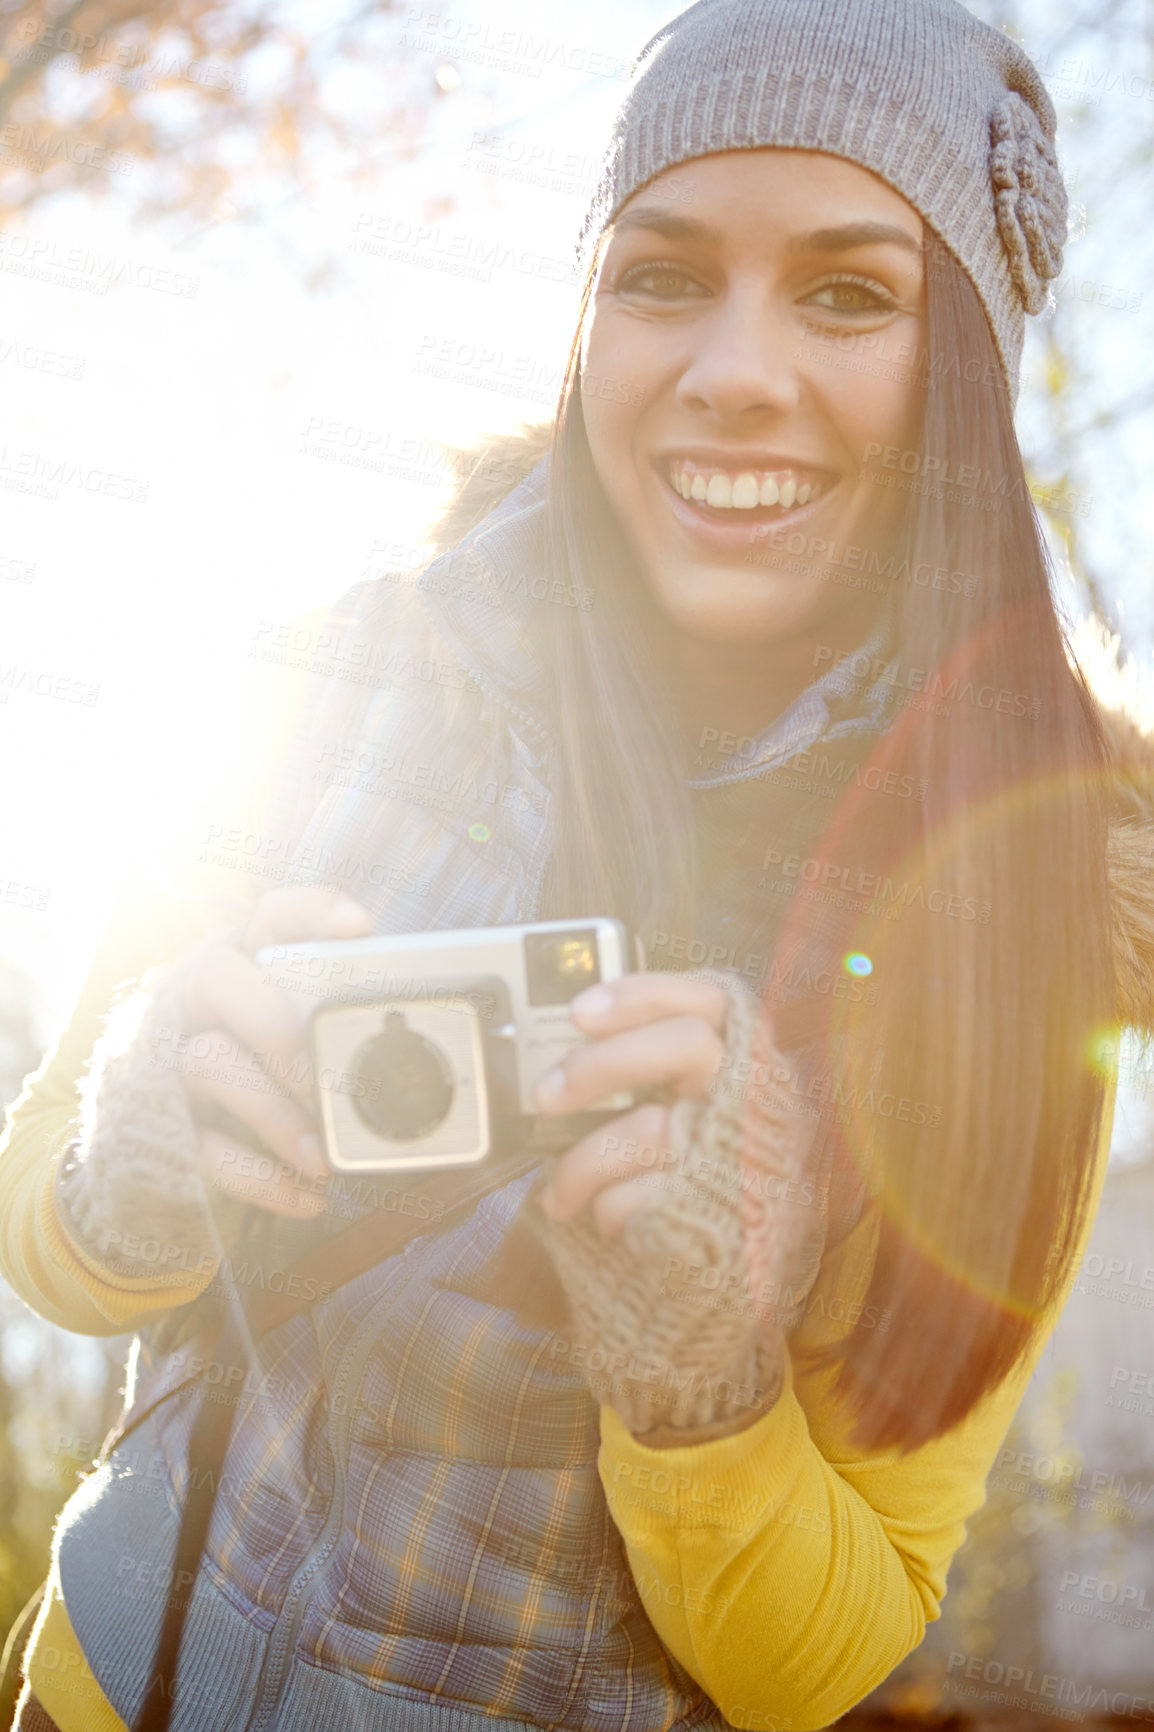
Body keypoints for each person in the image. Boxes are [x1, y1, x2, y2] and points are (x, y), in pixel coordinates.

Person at [3, 0, 1152, 1727]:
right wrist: (129, 1165)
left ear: (967, 382)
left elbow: (824, 1656)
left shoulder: (1022, 921)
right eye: (661, 276)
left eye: (849, 293)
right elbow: (52, 1236)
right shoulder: (325, 679)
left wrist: (702, 1382)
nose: (733, 370)